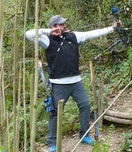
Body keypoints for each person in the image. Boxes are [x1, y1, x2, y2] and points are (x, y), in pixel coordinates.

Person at [25, 15, 120, 152]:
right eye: (61, 24)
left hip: (76, 82)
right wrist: (49, 31)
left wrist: (112, 28)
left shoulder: (73, 36)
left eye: (64, 24)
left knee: (85, 106)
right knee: (56, 112)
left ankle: (84, 135)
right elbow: (28, 34)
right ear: (54, 26)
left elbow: (91, 34)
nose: (64, 26)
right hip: (58, 84)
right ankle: (52, 143)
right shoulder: (46, 39)